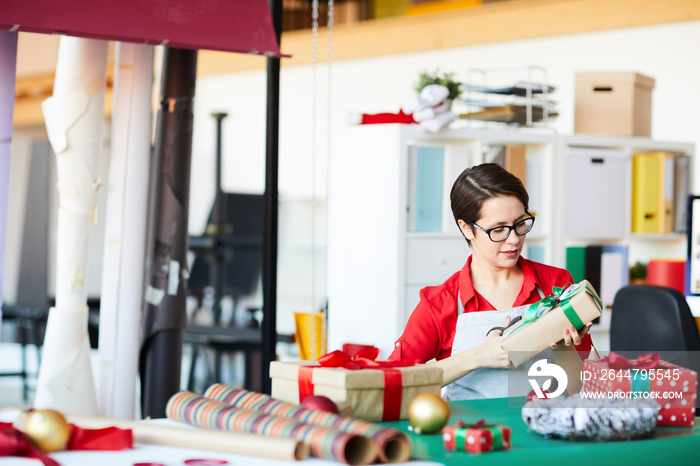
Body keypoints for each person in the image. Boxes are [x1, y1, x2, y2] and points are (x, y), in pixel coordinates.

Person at [388, 163, 593, 400]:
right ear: (466, 229)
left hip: (548, 430)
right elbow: (394, 380)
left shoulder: (556, 284)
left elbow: (584, 390)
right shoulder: (439, 304)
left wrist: (565, 349)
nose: (514, 239)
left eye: (520, 224)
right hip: (472, 433)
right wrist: (477, 357)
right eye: (498, 230)